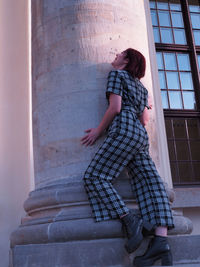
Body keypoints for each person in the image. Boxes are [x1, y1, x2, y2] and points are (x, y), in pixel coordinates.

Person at [81, 48, 174, 266]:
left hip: (123, 130)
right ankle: (161, 240)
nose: (114, 55)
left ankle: (129, 218)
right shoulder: (142, 88)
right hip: (140, 137)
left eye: (119, 54)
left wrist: (98, 130)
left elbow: (115, 107)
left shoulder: (116, 75)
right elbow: (144, 120)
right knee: (153, 183)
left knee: (94, 177)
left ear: (126, 60)